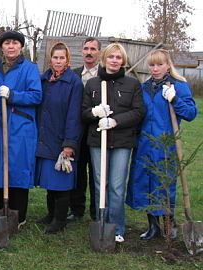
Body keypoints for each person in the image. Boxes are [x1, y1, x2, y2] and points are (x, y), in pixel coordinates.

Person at [126, 49, 197, 240]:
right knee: (145, 183)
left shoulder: (178, 86)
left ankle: (169, 224)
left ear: (168, 65)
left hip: (165, 145)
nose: (155, 69)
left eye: (159, 64)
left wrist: (175, 99)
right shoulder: (144, 88)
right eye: (152, 65)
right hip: (144, 144)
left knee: (164, 184)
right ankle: (153, 226)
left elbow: (191, 113)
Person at [82, 43, 146, 243]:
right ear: (105, 59)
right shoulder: (92, 84)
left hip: (122, 141)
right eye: (111, 57)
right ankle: (102, 224)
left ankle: (117, 227)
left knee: (117, 186)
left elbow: (139, 112)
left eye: (118, 57)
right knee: (101, 183)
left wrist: (116, 121)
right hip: (97, 140)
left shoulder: (132, 84)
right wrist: (94, 112)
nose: (115, 61)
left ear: (123, 61)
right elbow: (83, 113)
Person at [0, 31, 42, 228]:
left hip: (20, 127)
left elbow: (36, 96)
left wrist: (13, 95)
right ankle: (0, 212)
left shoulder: (29, 68)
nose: (11, 46)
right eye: (7, 43)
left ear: (21, 47)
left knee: (18, 170)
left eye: (14, 43)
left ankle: (19, 215)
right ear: (2, 47)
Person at [35, 42, 83, 233]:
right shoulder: (44, 80)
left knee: (61, 182)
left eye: (62, 58)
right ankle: (51, 213)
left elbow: (74, 115)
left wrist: (69, 143)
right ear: (50, 59)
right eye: (55, 57)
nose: (58, 61)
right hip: (47, 135)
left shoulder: (74, 83)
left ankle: (60, 220)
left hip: (62, 138)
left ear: (67, 60)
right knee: (49, 180)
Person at [69, 37, 101, 221]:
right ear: (82, 51)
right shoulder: (74, 75)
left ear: (99, 52)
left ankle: (97, 211)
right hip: (78, 129)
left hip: (97, 129)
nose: (89, 52)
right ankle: (77, 209)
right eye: (86, 48)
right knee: (78, 171)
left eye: (93, 49)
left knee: (97, 172)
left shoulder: (104, 74)